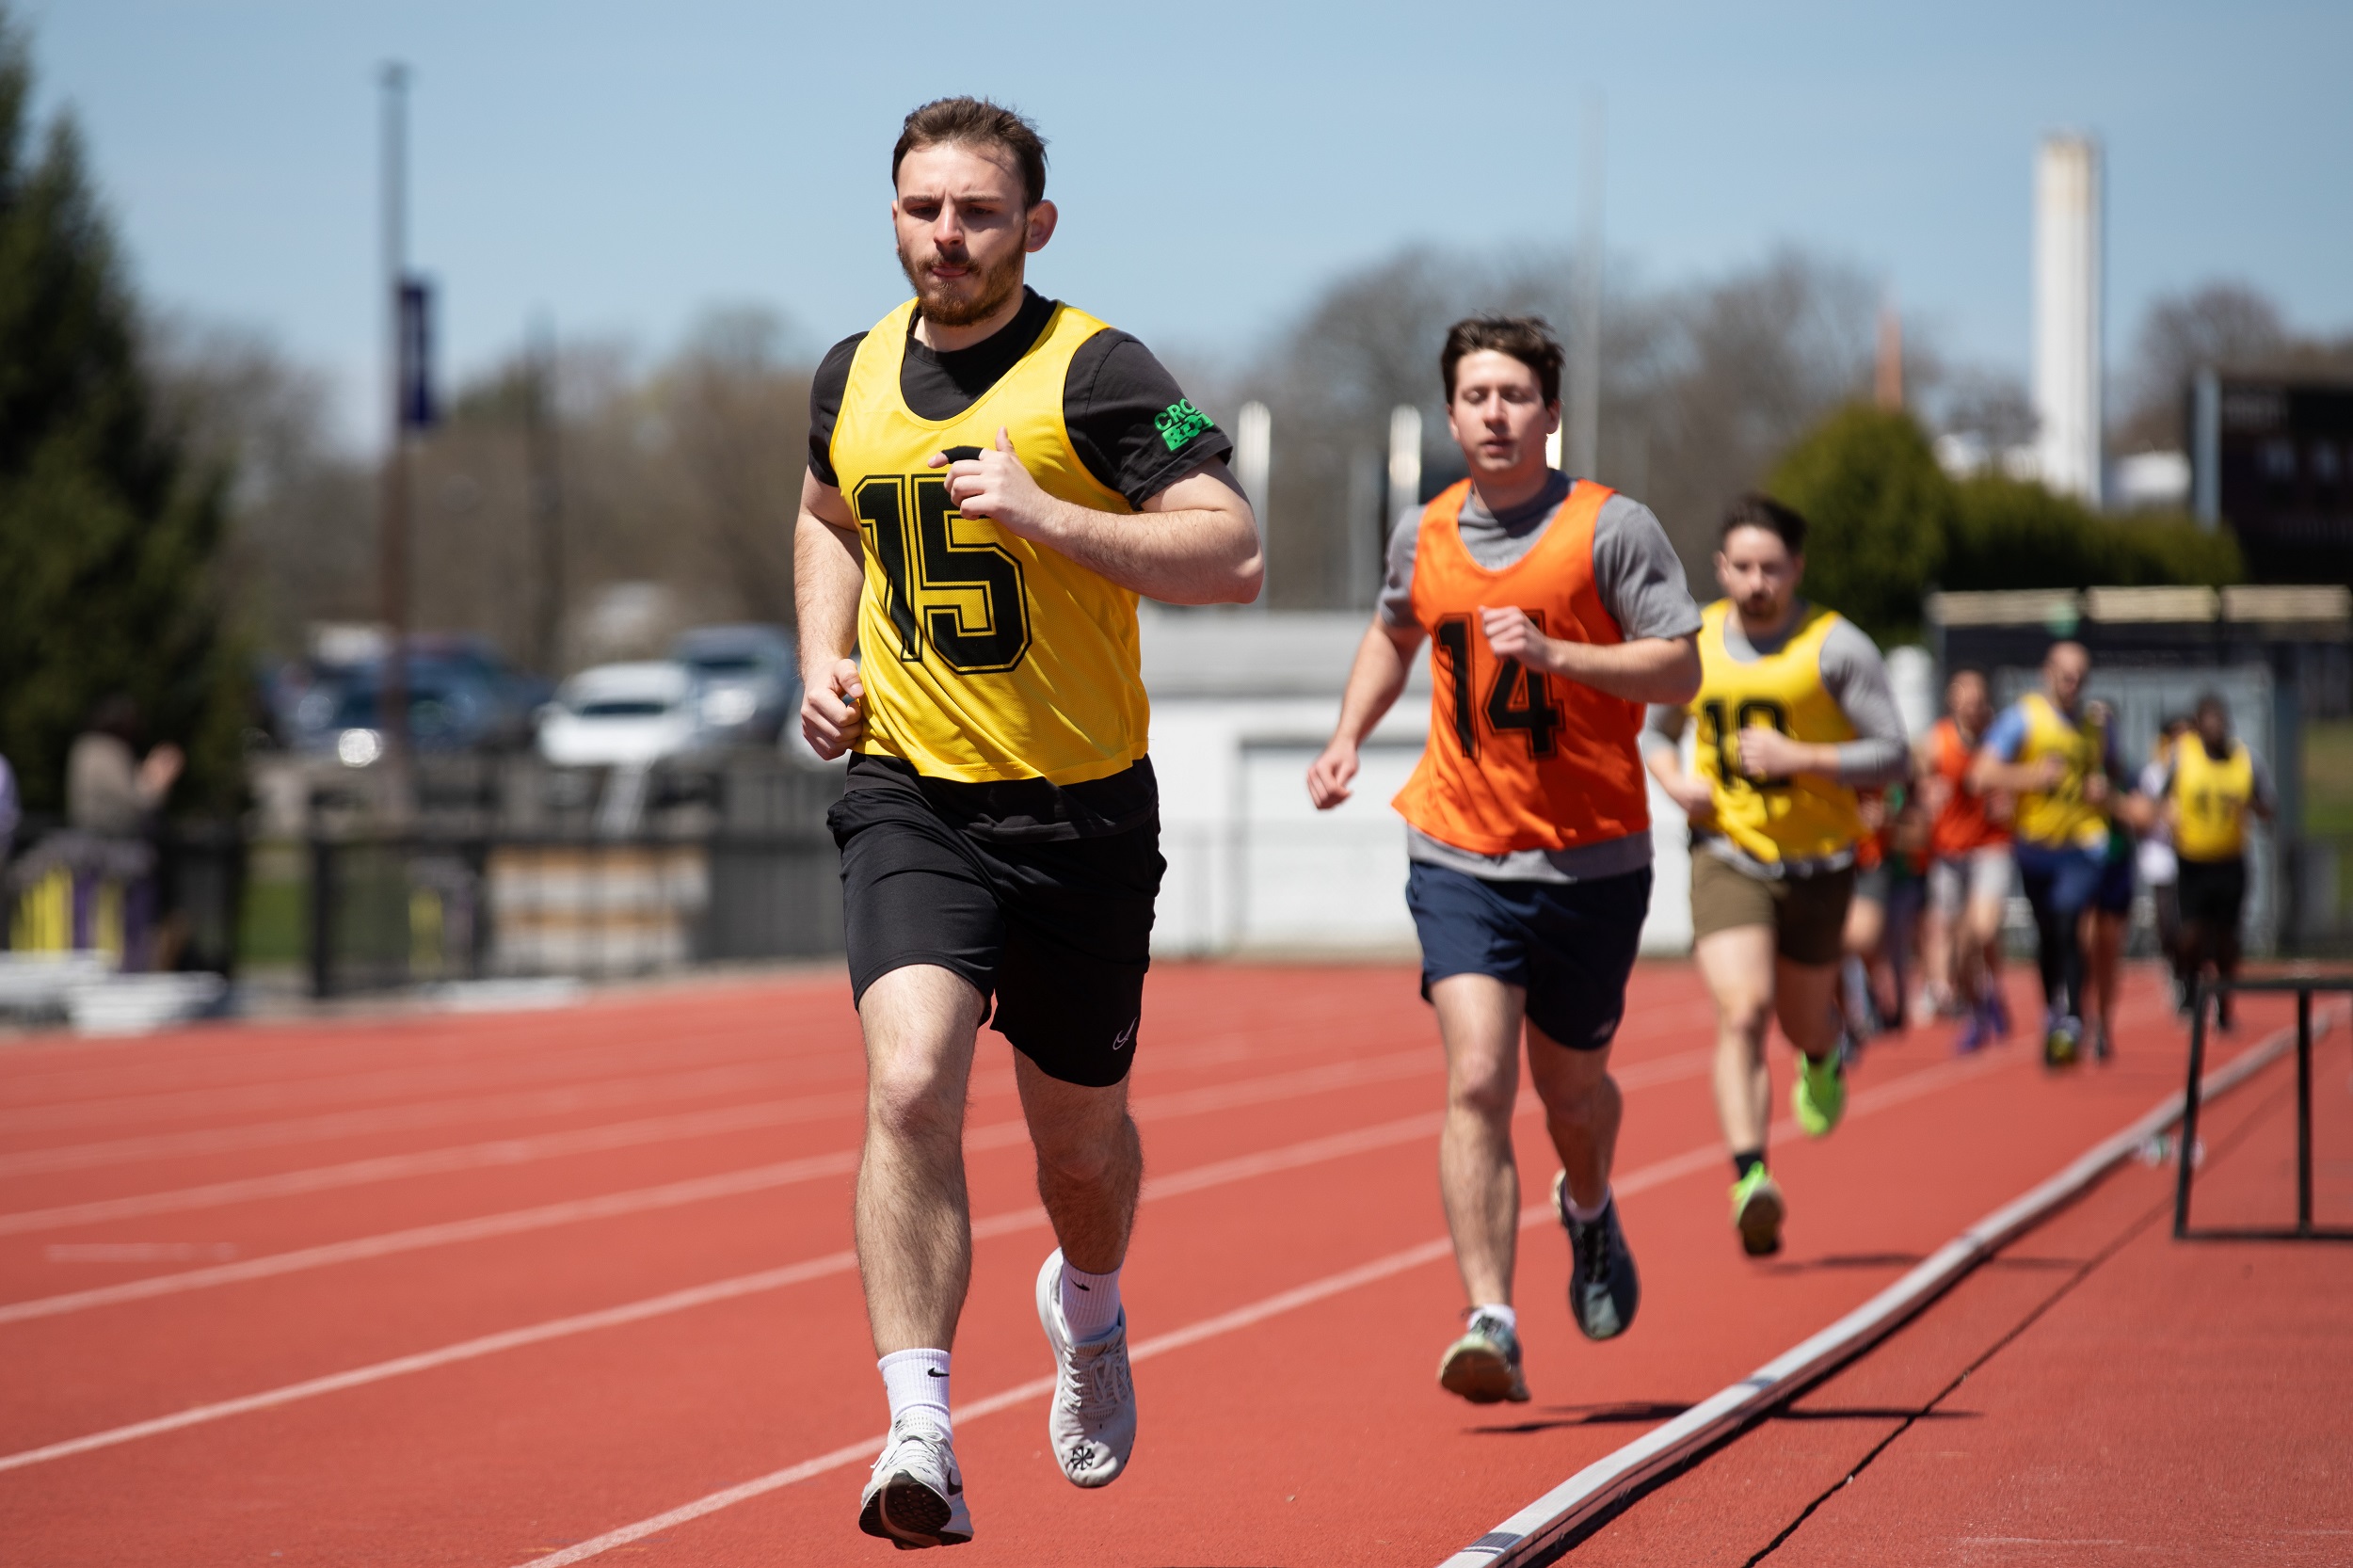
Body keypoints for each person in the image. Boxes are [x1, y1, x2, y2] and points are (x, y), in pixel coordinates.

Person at [794, 98, 1261, 1550]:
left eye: (980, 213)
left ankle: (1093, 1307)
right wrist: (822, 656)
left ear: (1033, 227)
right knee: (910, 1081)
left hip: (1080, 820)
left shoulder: (1102, 371)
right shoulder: (849, 371)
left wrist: (1050, 512)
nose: (950, 236)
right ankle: (919, 1424)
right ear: (891, 215)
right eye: (925, 209)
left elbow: (1233, 548)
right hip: (913, 794)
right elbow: (825, 512)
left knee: (1080, 1150)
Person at [1305, 315, 1702, 1404]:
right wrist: (1347, 734)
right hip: (1458, 846)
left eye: (1514, 396)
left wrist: (1563, 651)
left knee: (1570, 1094)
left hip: (1591, 859)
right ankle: (1490, 1316)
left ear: (1550, 412)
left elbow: (1679, 672)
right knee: (1477, 1076)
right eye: (1475, 396)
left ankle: (1587, 1203)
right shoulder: (1422, 534)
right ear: (1449, 414)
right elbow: (1393, 631)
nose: (1494, 414)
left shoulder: (1609, 530)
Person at [1643, 497, 1909, 1257]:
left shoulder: (1836, 647)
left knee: (1801, 1021)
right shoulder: (1691, 638)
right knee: (1743, 1010)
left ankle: (1823, 1058)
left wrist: (1806, 760)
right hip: (1727, 851)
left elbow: (1896, 754)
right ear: (1721, 567)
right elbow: (1648, 728)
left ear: (1798, 569)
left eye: (1772, 568)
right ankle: (1751, 1177)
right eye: (1742, 567)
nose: (1756, 582)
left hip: (1820, 862)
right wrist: (1670, 776)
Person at [1970, 643, 2131, 1066]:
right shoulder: (2023, 718)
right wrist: (2030, 776)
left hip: (2083, 842)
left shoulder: (2096, 726)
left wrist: (2103, 791)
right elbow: (1981, 774)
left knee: (2070, 916)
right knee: (2049, 932)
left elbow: (2111, 773)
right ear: (2047, 674)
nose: (2072, 683)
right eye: (2065, 674)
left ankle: (2076, 1013)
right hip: (2036, 844)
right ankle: (2053, 1010)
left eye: (2079, 676)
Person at [2153, 695, 2276, 1032]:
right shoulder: (2182, 757)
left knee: (2226, 937)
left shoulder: (2246, 760)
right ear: (2198, 725)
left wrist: (2256, 807)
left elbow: (2268, 806)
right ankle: (2191, 984)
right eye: (2208, 722)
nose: (2215, 729)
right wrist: (2168, 815)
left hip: (2230, 861)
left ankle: (2224, 1002)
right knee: (2191, 934)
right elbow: (2160, 800)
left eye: (2220, 722)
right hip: (2192, 861)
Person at [1919, 669, 2013, 1051]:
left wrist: (2010, 801)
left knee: (1984, 930)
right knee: (1959, 946)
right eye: (1966, 699)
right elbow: (1915, 784)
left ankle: (1992, 987)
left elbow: (2020, 783)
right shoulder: (1937, 741)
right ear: (1953, 702)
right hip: (1949, 852)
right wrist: (1926, 794)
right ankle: (1979, 1007)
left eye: (1979, 699)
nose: (1974, 706)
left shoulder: (2001, 740)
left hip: (1990, 846)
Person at [2137, 716, 2192, 1013]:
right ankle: (2176, 971)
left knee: (2192, 927)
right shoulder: (2154, 774)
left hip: (2193, 860)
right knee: (2168, 926)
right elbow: (2144, 814)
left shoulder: (2200, 772)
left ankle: (2193, 982)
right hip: (2162, 861)